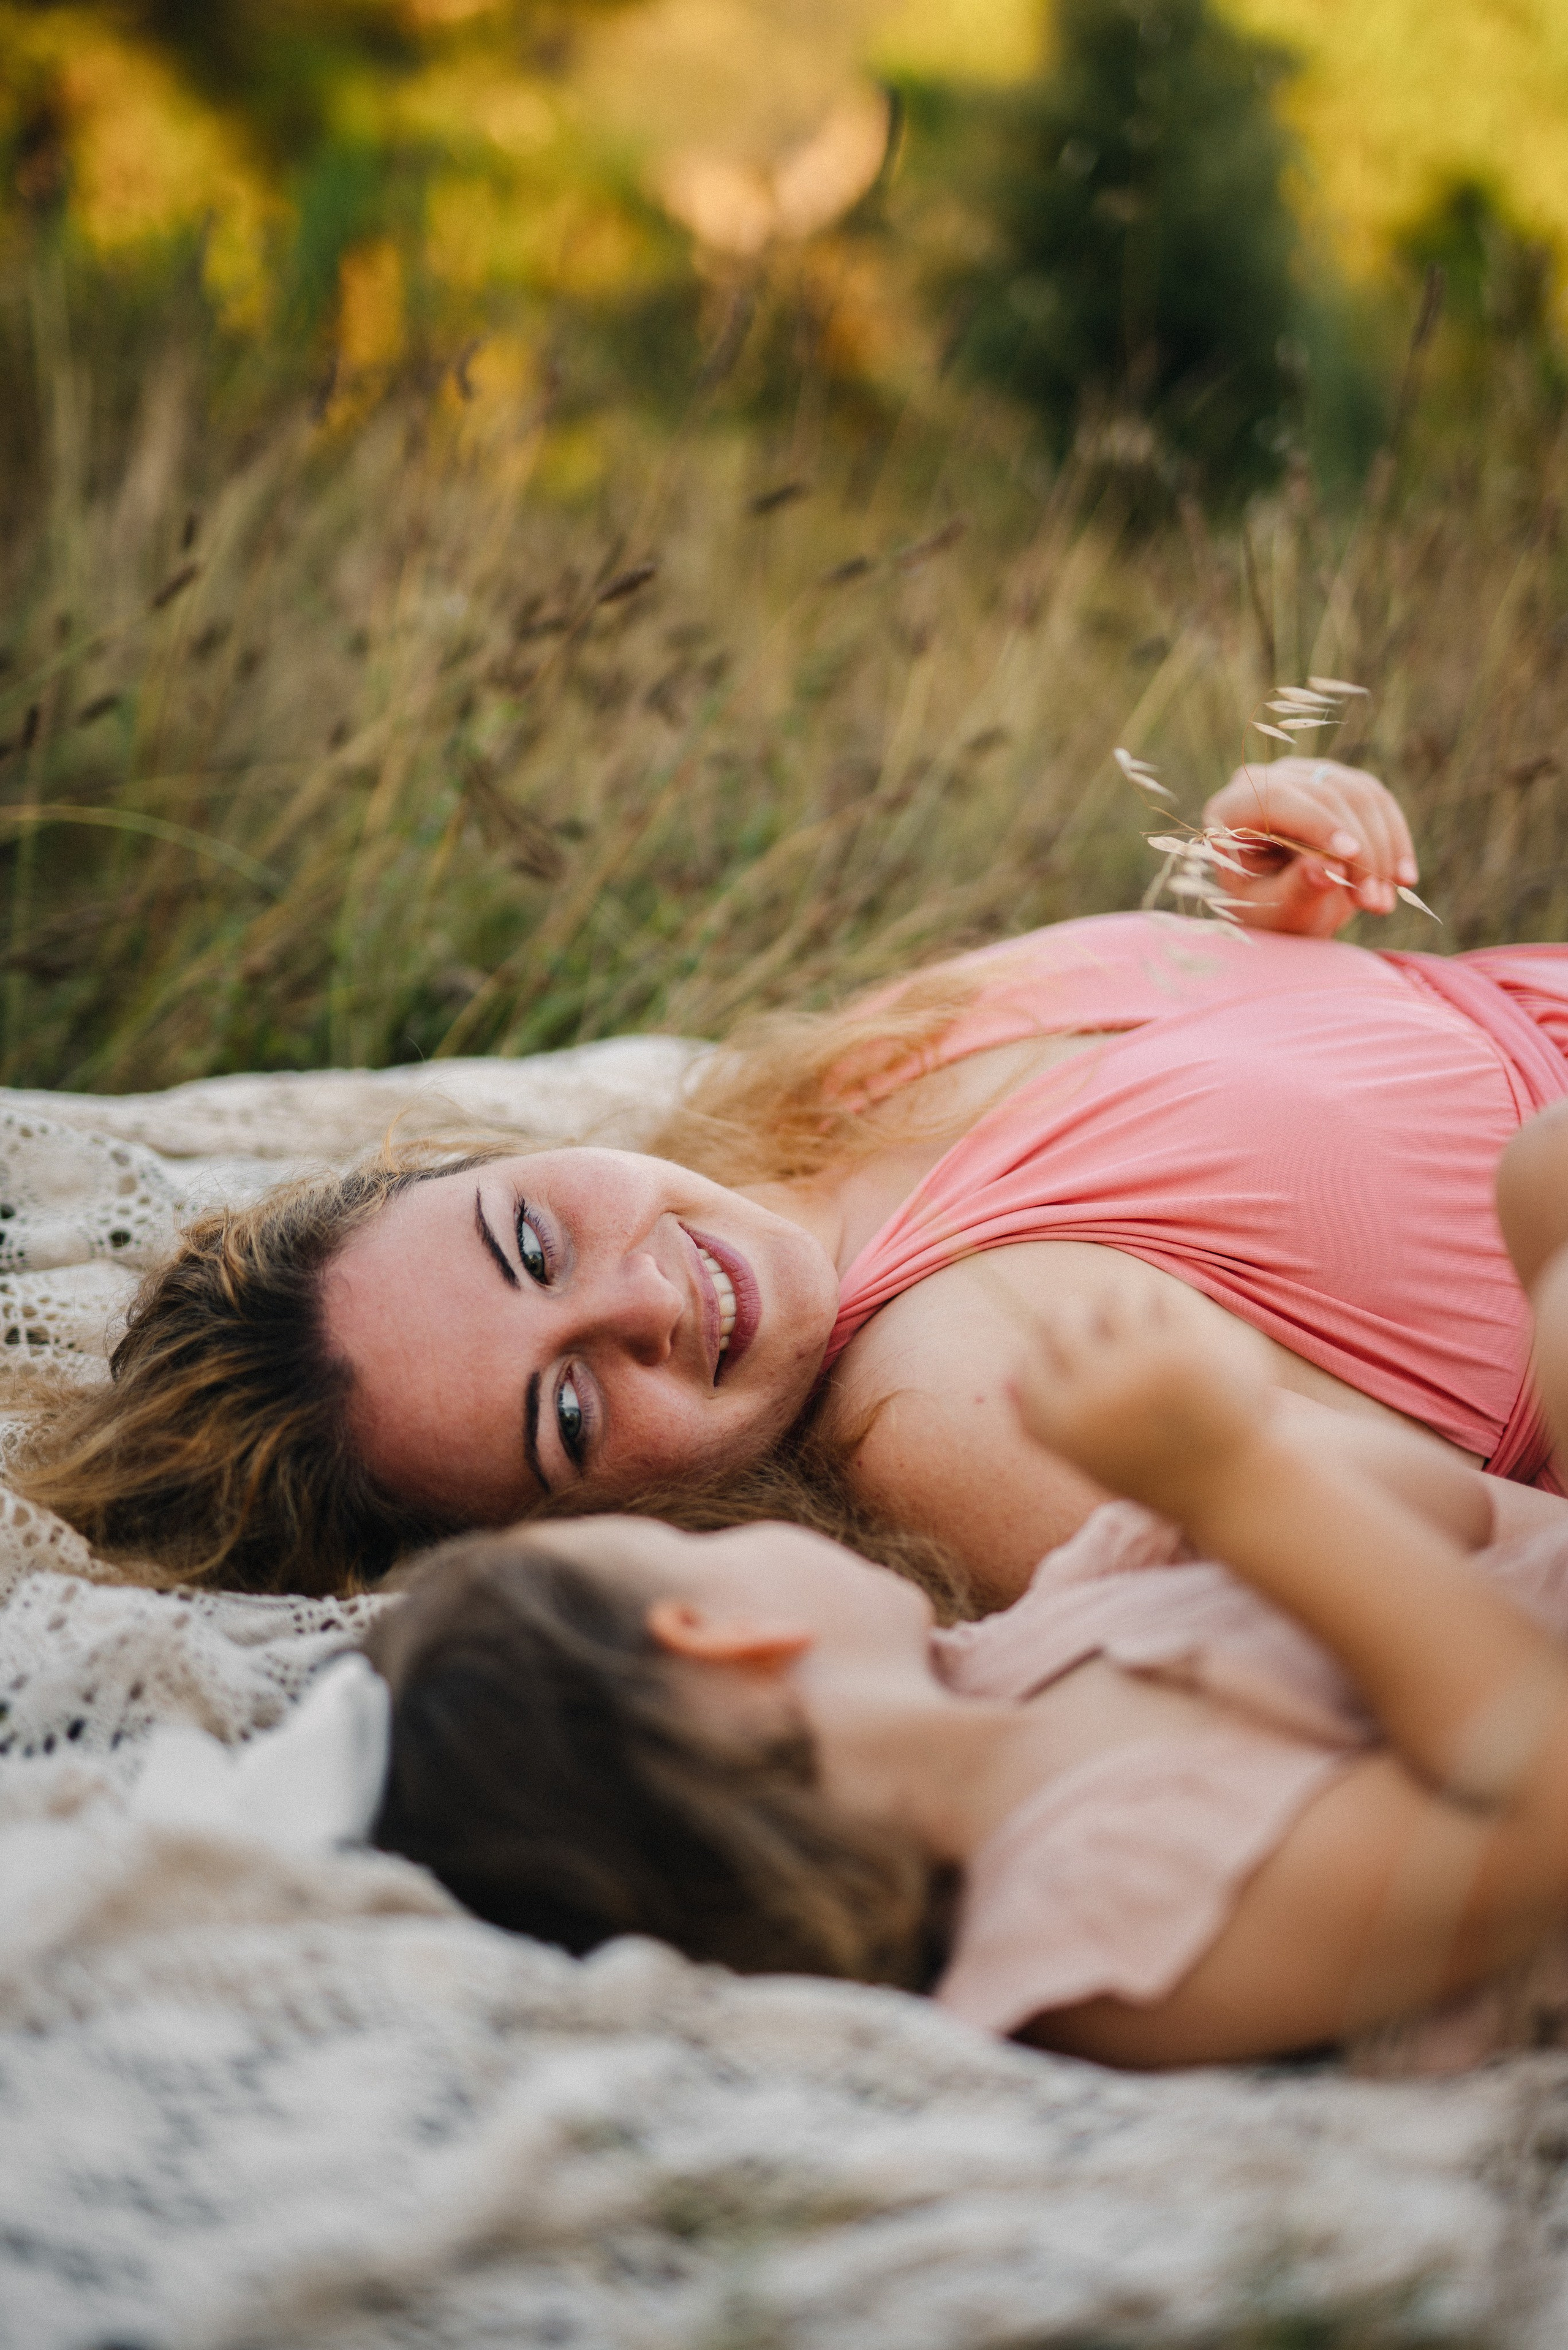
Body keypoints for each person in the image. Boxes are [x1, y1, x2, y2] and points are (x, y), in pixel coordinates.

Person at [18, 757, 1568, 1598]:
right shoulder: (954, 1419)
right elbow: (1473, 1592)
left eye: (533, 1240)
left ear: (485, 1160)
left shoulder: (816, 1098)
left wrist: (1281, 938)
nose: (641, 1302)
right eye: (568, 1414)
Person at [366, 1101, 1568, 2068]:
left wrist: (1216, 1425)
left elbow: (1441, 1509)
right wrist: (1237, 1480)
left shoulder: (1025, 1653)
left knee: (1542, 1170)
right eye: (690, 1540)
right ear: (718, 1631)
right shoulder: (1091, 1932)